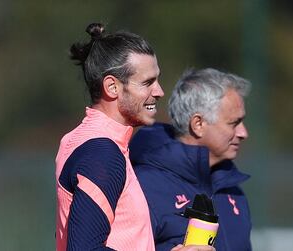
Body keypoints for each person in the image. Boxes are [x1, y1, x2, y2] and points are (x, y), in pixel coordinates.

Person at [55, 23, 215, 251]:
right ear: (112, 87)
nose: (159, 92)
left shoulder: (81, 139)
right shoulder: (102, 152)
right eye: (147, 82)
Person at [130, 68, 252, 251]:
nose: (244, 133)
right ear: (198, 124)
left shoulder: (233, 191)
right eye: (234, 123)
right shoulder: (142, 187)